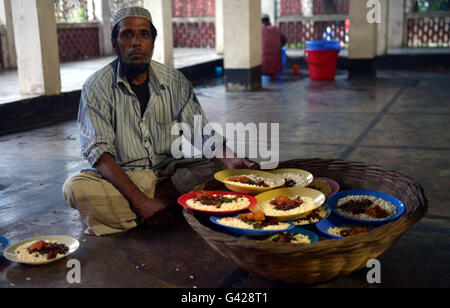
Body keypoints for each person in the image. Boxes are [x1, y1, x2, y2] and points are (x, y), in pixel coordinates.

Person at [62, 7, 257, 236]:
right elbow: (99, 154)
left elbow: (199, 131)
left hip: (169, 174)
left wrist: (230, 158)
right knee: (76, 188)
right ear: (114, 42)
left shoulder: (174, 81)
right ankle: (175, 204)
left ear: (153, 41)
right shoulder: (96, 87)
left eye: (144, 34)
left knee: (220, 167)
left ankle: (125, 214)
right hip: (127, 176)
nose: (136, 42)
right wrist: (140, 201)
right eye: (127, 35)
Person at [261, 14, 288, 78]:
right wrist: (278, 46)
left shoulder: (258, 29)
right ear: (269, 21)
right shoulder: (276, 29)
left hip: (262, 68)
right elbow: (285, 40)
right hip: (276, 68)